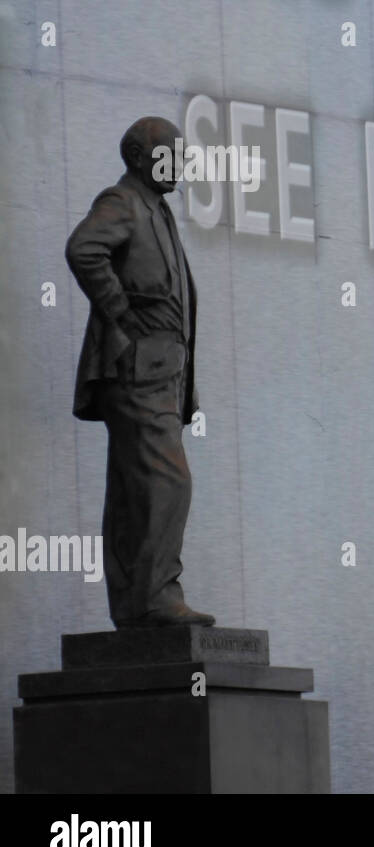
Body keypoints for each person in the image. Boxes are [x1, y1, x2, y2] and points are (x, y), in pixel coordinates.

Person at [65, 116, 215, 628]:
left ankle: (135, 608)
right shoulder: (123, 200)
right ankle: (155, 597)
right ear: (137, 158)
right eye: (167, 156)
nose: (178, 167)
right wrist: (122, 316)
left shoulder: (158, 209)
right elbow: (84, 249)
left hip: (162, 373)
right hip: (137, 369)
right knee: (168, 482)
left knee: (135, 490)